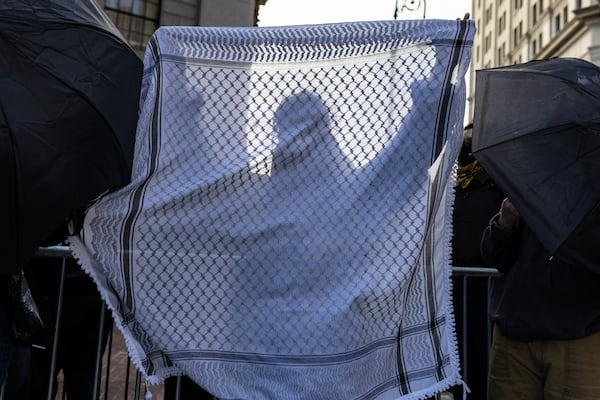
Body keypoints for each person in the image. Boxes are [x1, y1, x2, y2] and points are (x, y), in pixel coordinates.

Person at [481, 198, 600, 399]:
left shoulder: (589, 186)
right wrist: (505, 222)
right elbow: (495, 257)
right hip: (514, 334)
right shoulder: (532, 183)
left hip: (581, 336)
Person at [450, 123, 504, 400]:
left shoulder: (497, 181)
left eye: (473, 138)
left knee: (482, 356)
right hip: (452, 286)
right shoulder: (452, 182)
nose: (466, 143)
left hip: (484, 287)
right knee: (457, 357)